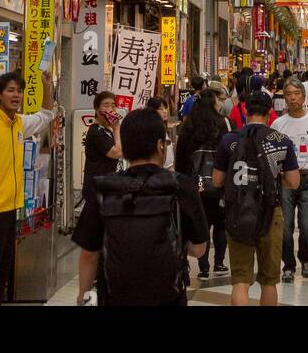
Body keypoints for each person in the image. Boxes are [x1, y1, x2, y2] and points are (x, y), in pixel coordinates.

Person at [73, 107, 208, 306]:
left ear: (125, 148)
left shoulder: (104, 188)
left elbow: (89, 254)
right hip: (168, 299)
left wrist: (82, 296)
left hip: (115, 298)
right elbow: (198, 250)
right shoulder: (181, 185)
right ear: (160, 146)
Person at [0, 69, 55, 306]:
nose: (16, 95)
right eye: (10, 90)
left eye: (19, 91)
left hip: (11, 207)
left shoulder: (19, 123)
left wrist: (47, 86)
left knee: (3, 269)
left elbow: (46, 115)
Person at [212, 91, 299, 306]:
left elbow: (216, 180)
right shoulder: (281, 141)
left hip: (238, 212)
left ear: (245, 111)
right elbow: (294, 182)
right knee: (269, 281)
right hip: (271, 211)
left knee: (240, 280)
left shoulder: (229, 140)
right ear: (270, 113)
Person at [174, 89, 230, 279]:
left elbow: (180, 160)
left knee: (201, 225)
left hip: (194, 187)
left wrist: (182, 184)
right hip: (218, 183)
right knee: (221, 225)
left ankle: (204, 267)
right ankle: (220, 264)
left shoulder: (188, 128)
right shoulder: (221, 125)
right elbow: (227, 155)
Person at [274, 77, 308, 282]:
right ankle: (288, 266)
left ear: (303, 96)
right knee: (286, 227)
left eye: (296, 93)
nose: (292, 98)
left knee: (307, 225)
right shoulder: (278, 124)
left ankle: (305, 257)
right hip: (284, 181)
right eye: (288, 94)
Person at [82, 91, 123, 199]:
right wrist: (117, 128)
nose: (110, 109)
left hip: (107, 185)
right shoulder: (97, 131)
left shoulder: (107, 130)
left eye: (113, 106)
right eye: (106, 105)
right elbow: (116, 153)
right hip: (97, 188)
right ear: (97, 109)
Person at [146, 96, 175, 168]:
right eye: (161, 109)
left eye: (165, 108)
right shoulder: (152, 130)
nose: (165, 111)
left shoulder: (162, 127)